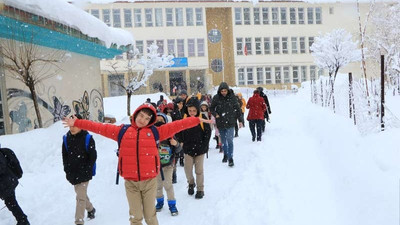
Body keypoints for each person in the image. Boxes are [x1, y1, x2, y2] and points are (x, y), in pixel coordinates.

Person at [62, 104, 210, 225]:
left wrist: (196, 120)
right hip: (131, 183)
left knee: (150, 216)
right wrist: (77, 123)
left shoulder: (155, 132)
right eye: (141, 116)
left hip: (149, 182)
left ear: (150, 121)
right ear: (135, 114)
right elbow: (99, 127)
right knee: (135, 217)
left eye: (147, 118)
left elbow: (178, 125)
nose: (143, 120)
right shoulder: (122, 131)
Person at [62, 114, 97, 225]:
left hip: (85, 173)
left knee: (80, 198)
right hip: (73, 173)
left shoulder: (87, 138)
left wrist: (87, 170)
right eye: (71, 124)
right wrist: (67, 171)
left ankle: (79, 222)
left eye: (75, 124)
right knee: (81, 195)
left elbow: (93, 157)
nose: (72, 127)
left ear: (81, 125)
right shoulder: (66, 139)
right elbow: (65, 156)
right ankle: (91, 209)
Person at [176, 97, 211, 199]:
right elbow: (179, 131)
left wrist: (205, 146)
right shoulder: (184, 119)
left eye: (194, 111)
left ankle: (200, 189)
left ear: (198, 110)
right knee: (187, 169)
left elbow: (207, 134)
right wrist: (181, 141)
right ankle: (191, 183)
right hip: (188, 149)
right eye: (190, 110)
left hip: (200, 149)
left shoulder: (202, 119)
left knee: (199, 170)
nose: (192, 112)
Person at [210, 82, 243, 167]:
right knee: (224, 141)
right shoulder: (216, 98)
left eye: (225, 91)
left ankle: (230, 158)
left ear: (227, 90)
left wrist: (240, 120)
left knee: (229, 140)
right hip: (220, 122)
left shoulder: (232, 98)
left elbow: (238, 109)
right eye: (222, 91)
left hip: (231, 122)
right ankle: (225, 154)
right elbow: (211, 108)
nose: (224, 92)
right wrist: (215, 114)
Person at [154, 113, 181, 216]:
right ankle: (160, 202)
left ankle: (172, 204)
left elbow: (178, 149)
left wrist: (176, 144)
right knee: (158, 186)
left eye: (161, 120)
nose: (159, 122)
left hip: (168, 165)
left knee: (168, 185)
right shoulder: (151, 135)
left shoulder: (170, 134)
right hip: (155, 166)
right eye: (157, 121)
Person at [0, 146, 30, 225]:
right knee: (11, 202)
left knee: (11, 202)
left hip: (5, 183)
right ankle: (22, 220)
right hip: (7, 181)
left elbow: (1, 167)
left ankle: (23, 220)